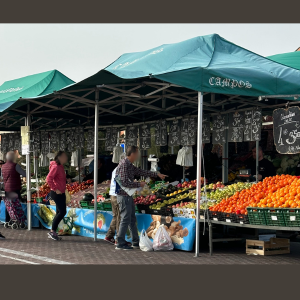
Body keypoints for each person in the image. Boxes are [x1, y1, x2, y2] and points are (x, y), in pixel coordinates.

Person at [115, 145, 167, 250]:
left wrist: (156, 174)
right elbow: (124, 182)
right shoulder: (124, 164)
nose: (138, 155)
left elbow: (140, 172)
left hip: (128, 195)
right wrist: (139, 184)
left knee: (131, 218)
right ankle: (120, 242)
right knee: (125, 218)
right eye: (137, 153)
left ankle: (135, 241)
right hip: (123, 196)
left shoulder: (129, 164)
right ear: (133, 154)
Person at [104, 154, 131, 246]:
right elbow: (123, 183)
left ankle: (109, 236)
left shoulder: (117, 169)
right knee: (120, 217)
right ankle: (119, 239)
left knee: (116, 216)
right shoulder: (120, 169)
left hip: (113, 194)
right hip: (117, 195)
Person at [46, 151, 68, 241]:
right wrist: (55, 188)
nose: (66, 158)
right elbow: (48, 178)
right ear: (59, 157)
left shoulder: (60, 166)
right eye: (64, 156)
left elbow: (59, 178)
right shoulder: (56, 167)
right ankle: (52, 231)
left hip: (61, 192)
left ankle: (53, 231)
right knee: (62, 212)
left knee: (60, 211)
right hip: (57, 193)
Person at [2, 151, 26, 227]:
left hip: (6, 188)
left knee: (9, 205)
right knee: (16, 205)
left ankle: (8, 220)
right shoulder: (15, 166)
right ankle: (18, 220)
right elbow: (24, 174)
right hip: (14, 188)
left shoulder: (3, 166)